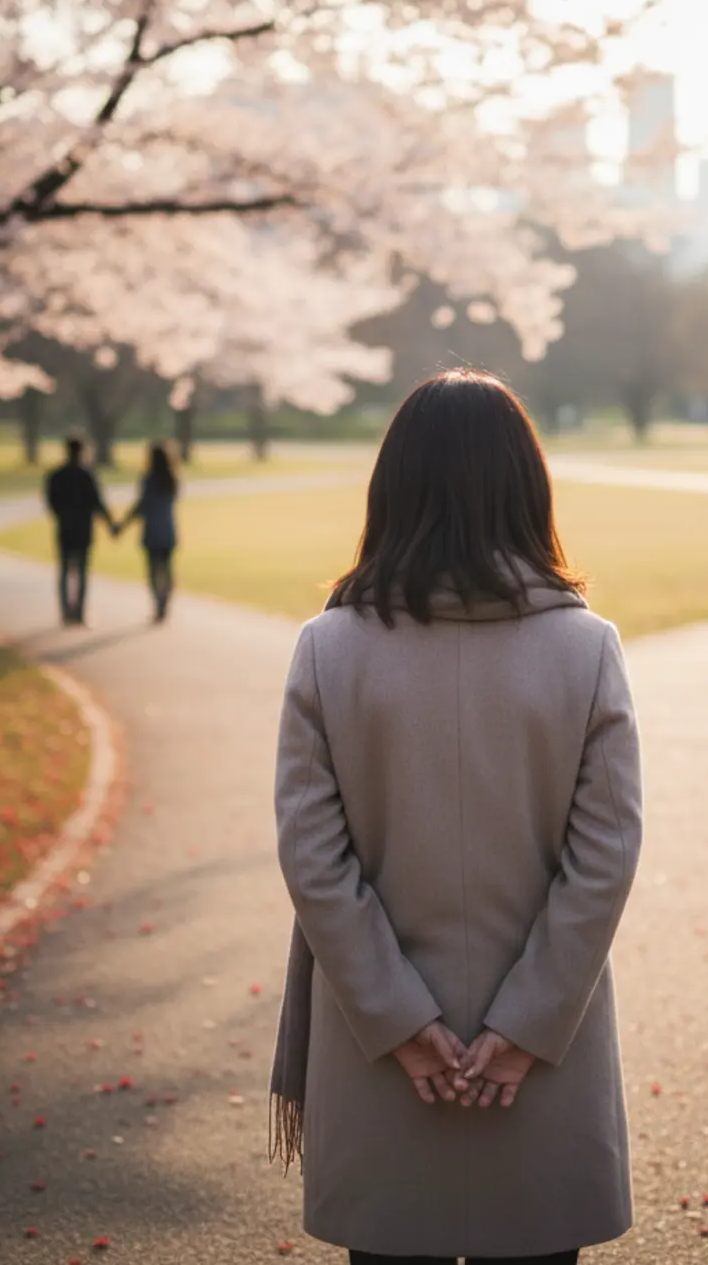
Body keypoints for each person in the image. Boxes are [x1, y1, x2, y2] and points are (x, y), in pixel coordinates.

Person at [269, 370, 644, 1264]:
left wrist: (401, 1024)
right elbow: (606, 862)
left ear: (392, 489)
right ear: (527, 488)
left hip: (380, 1056)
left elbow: (316, 864)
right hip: (540, 1064)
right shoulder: (587, 649)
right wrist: (522, 1029)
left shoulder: (329, 650)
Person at [43, 436, 114, 626]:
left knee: (65, 571)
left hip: (65, 529)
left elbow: (51, 503)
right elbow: (98, 503)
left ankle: (66, 611)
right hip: (83, 529)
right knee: (81, 571)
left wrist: (63, 515)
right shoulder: (86, 475)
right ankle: (79, 612)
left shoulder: (57, 475)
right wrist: (110, 525)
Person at [117, 442, 179, 622]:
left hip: (152, 532)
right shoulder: (172, 479)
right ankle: (164, 603)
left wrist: (123, 524)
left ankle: (158, 604)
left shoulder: (149, 480)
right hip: (167, 531)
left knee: (153, 570)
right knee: (166, 569)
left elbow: (141, 505)